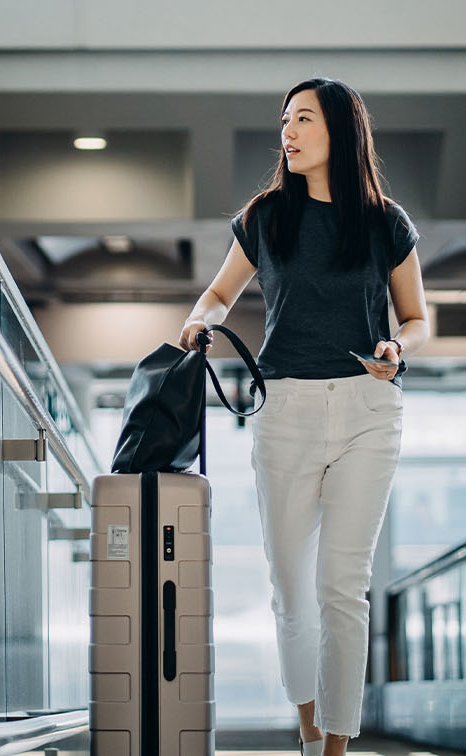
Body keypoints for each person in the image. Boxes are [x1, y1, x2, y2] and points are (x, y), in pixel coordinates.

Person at [178, 78, 428, 756]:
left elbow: (417, 317)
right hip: (283, 407)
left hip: (368, 410)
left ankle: (335, 750)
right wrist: (201, 321)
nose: (287, 132)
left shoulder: (385, 220)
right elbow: (220, 293)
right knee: (292, 589)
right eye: (285, 120)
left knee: (342, 589)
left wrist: (397, 347)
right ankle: (309, 729)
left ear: (341, 132)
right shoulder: (267, 215)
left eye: (304, 120)